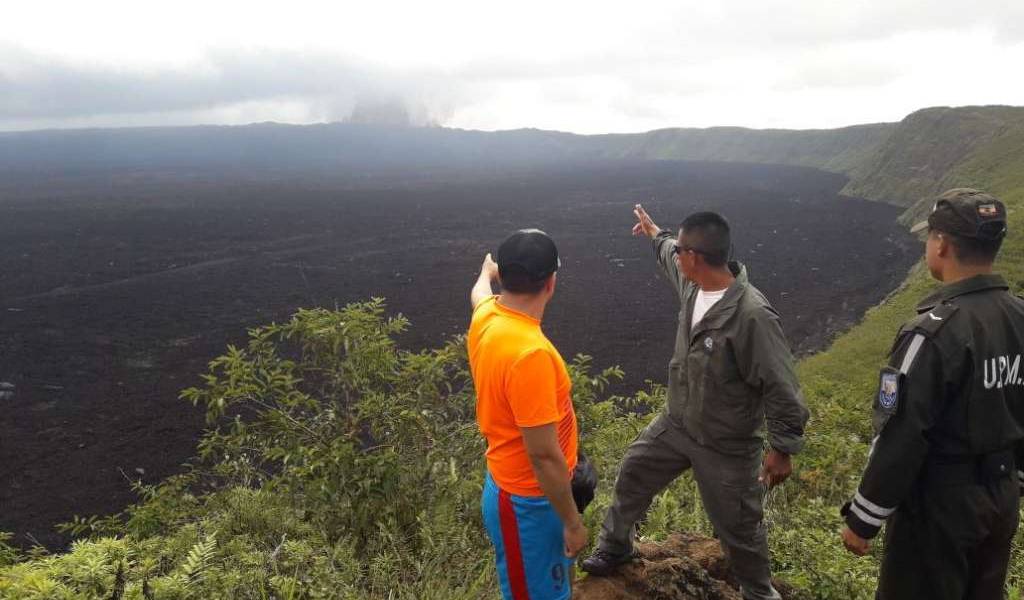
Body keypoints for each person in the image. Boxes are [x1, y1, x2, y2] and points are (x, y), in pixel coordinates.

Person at [581, 206, 809, 600]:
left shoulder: (751, 315)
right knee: (634, 470)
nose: (676, 255)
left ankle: (760, 593)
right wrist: (655, 232)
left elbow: (781, 384)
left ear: (696, 258)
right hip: (678, 424)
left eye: (682, 250)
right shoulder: (693, 285)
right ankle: (616, 547)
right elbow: (668, 250)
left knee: (740, 528)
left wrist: (783, 448)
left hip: (727, 444)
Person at [840, 188, 1024, 599]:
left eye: (930, 237)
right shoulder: (1019, 317)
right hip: (1002, 497)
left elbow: (900, 432)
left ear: (941, 244)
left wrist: (864, 517)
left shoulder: (932, 332)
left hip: (940, 508)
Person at [468, 229, 588, 600]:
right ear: (551, 282)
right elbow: (541, 453)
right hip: (529, 503)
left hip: (524, 493)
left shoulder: (488, 317)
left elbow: (479, 296)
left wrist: (485, 273)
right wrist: (572, 522)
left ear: (504, 278)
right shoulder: (529, 354)